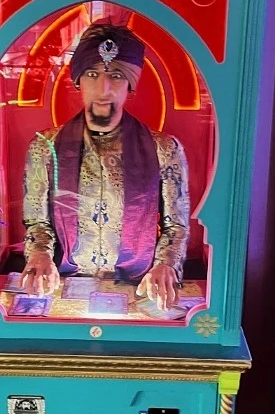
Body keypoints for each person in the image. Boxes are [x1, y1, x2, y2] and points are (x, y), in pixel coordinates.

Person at [21, 22, 189, 310]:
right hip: (64, 286)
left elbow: (176, 227)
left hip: (139, 287)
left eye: (116, 75)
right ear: (77, 81)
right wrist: (39, 256)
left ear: (130, 85)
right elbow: (38, 223)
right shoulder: (44, 148)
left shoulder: (165, 149)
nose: (103, 88)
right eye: (92, 74)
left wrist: (166, 266)